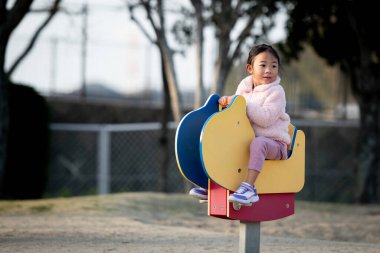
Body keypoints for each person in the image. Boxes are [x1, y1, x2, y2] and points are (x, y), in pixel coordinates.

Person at [189, 44, 291, 205]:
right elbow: (236, 112)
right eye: (263, 65)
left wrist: (241, 103)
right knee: (224, 142)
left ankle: (250, 188)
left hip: (275, 144)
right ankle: (215, 184)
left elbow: (266, 119)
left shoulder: (276, 92)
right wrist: (228, 103)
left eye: (274, 65)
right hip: (249, 141)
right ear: (250, 68)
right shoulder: (244, 88)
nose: (268, 70)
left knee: (259, 143)